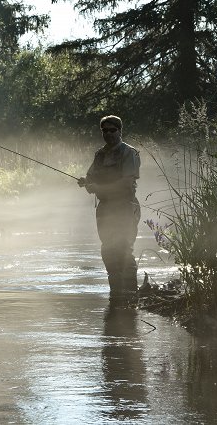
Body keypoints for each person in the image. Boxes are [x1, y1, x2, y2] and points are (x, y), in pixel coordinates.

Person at [78, 115, 140, 301]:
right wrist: (87, 183)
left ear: (120, 131)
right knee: (108, 251)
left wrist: (100, 188)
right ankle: (116, 296)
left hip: (125, 206)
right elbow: (91, 177)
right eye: (104, 131)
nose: (108, 134)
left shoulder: (130, 152)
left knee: (123, 249)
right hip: (105, 208)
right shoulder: (100, 154)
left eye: (112, 130)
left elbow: (127, 183)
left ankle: (130, 296)